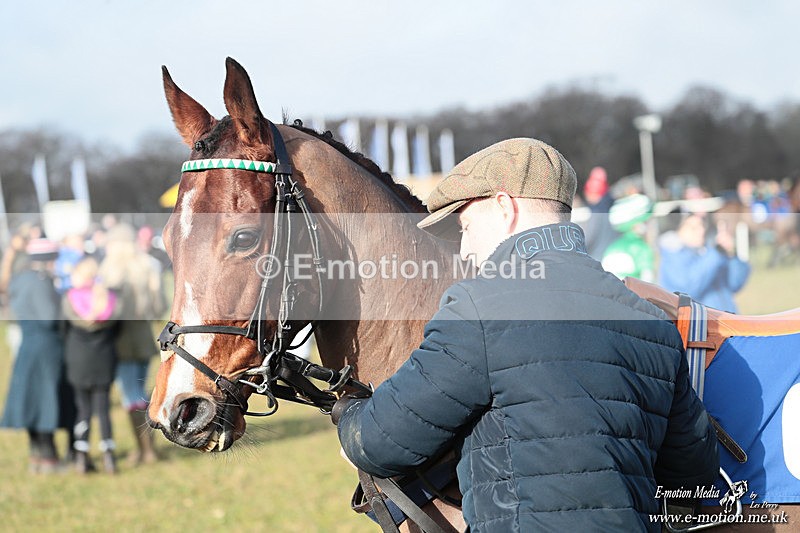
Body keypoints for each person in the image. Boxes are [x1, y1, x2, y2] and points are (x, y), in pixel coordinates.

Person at [334, 138, 719, 531]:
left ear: (505, 207)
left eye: (466, 227)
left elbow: (379, 442)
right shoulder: (652, 322)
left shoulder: (478, 307)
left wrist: (348, 413)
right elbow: (694, 479)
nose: (464, 250)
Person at [1, 238, 73, 474]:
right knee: (45, 402)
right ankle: (49, 459)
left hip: (28, 344)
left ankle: (36, 456)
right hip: (47, 347)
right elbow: (49, 318)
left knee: (32, 401)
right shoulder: (42, 282)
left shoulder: (20, 278)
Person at [99, 224, 165, 465]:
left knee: (131, 397)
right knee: (141, 392)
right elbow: (159, 307)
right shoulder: (147, 265)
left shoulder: (111, 270)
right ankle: (148, 449)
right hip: (143, 336)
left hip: (120, 339)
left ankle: (145, 450)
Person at [63, 256, 121, 474]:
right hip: (104, 358)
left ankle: (81, 455)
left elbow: (63, 329)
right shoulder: (110, 299)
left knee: (83, 409)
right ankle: (109, 456)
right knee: (103, 409)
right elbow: (118, 329)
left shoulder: (70, 299)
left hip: (78, 359)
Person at [658, 214, 750, 313]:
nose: (701, 231)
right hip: (698, 321)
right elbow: (689, 289)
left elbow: (735, 284)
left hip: (726, 319)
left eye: (702, 225)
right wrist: (715, 254)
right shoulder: (672, 257)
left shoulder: (710, 254)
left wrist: (731, 254)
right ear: (678, 230)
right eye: (693, 228)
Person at [601, 193, 656, 281]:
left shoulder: (613, 247)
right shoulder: (640, 248)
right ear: (639, 224)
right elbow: (649, 281)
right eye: (647, 222)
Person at [579, 166, 618, 259]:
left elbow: (589, 238)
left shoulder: (595, 213)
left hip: (597, 258)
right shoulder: (613, 206)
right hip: (612, 255)